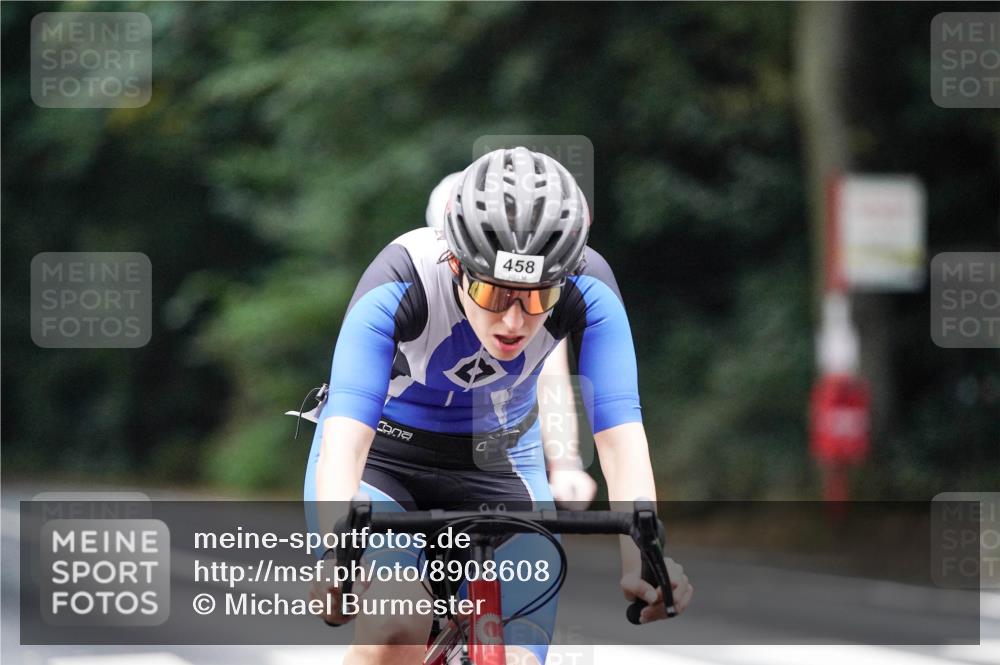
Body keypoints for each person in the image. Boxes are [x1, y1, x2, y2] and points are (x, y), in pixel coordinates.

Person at [304, 147, 692, 665]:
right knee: (396, 625)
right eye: (493, 293)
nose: (513, 321)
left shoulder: (589, 287)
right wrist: (337, 554)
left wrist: (643, 559)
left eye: (536, 298)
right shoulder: (402, 276)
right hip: (383, 463)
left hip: (501, 465)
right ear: (456, 265)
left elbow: (620, 439)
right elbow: (346, 440)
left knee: (520, 656)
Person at [426, 172, 598, 510]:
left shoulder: (535, 299)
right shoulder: (421, 287)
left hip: (497, 447)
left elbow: (552, 377)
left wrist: (566, 464)